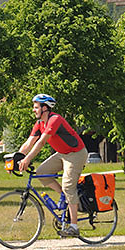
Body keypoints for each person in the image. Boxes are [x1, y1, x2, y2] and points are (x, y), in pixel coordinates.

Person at [18, 94, 88, 237]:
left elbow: (41, 142)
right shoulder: (39, 124)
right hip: (62, 154)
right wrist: (16, 159)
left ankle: (74, 226)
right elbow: (28, 143)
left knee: (69, 186)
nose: (33, 110)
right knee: (41, 172)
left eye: (36, 107)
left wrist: (28, 159)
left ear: (45, 108)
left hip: (76, 154)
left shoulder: (54, 120)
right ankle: (67, 196)